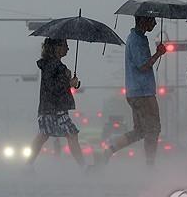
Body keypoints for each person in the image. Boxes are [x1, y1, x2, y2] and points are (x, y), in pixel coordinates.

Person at [101, 16, 166, 166]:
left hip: (135, 91)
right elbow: (142, 66)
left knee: (140, 131)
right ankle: (150, 165)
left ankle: (109, 151)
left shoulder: (138, 38)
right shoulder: (137, 40)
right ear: (143, 20)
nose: (155, 23)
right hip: (143, 92)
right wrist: (158, 54)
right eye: (152, 20)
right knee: (153, 129)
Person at [26, 38, 87, 171]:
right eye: (65, 45)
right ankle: (83, 167)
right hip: (53, 109)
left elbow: (57, 86)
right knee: (69, 135)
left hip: (52, 108)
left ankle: (28, 165)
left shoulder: (54, 65)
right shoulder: (52, 65)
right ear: (56, 48)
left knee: (43, 135)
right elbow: (51, 87)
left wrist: (70, 82)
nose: (68, 49)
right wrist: (68, 83)